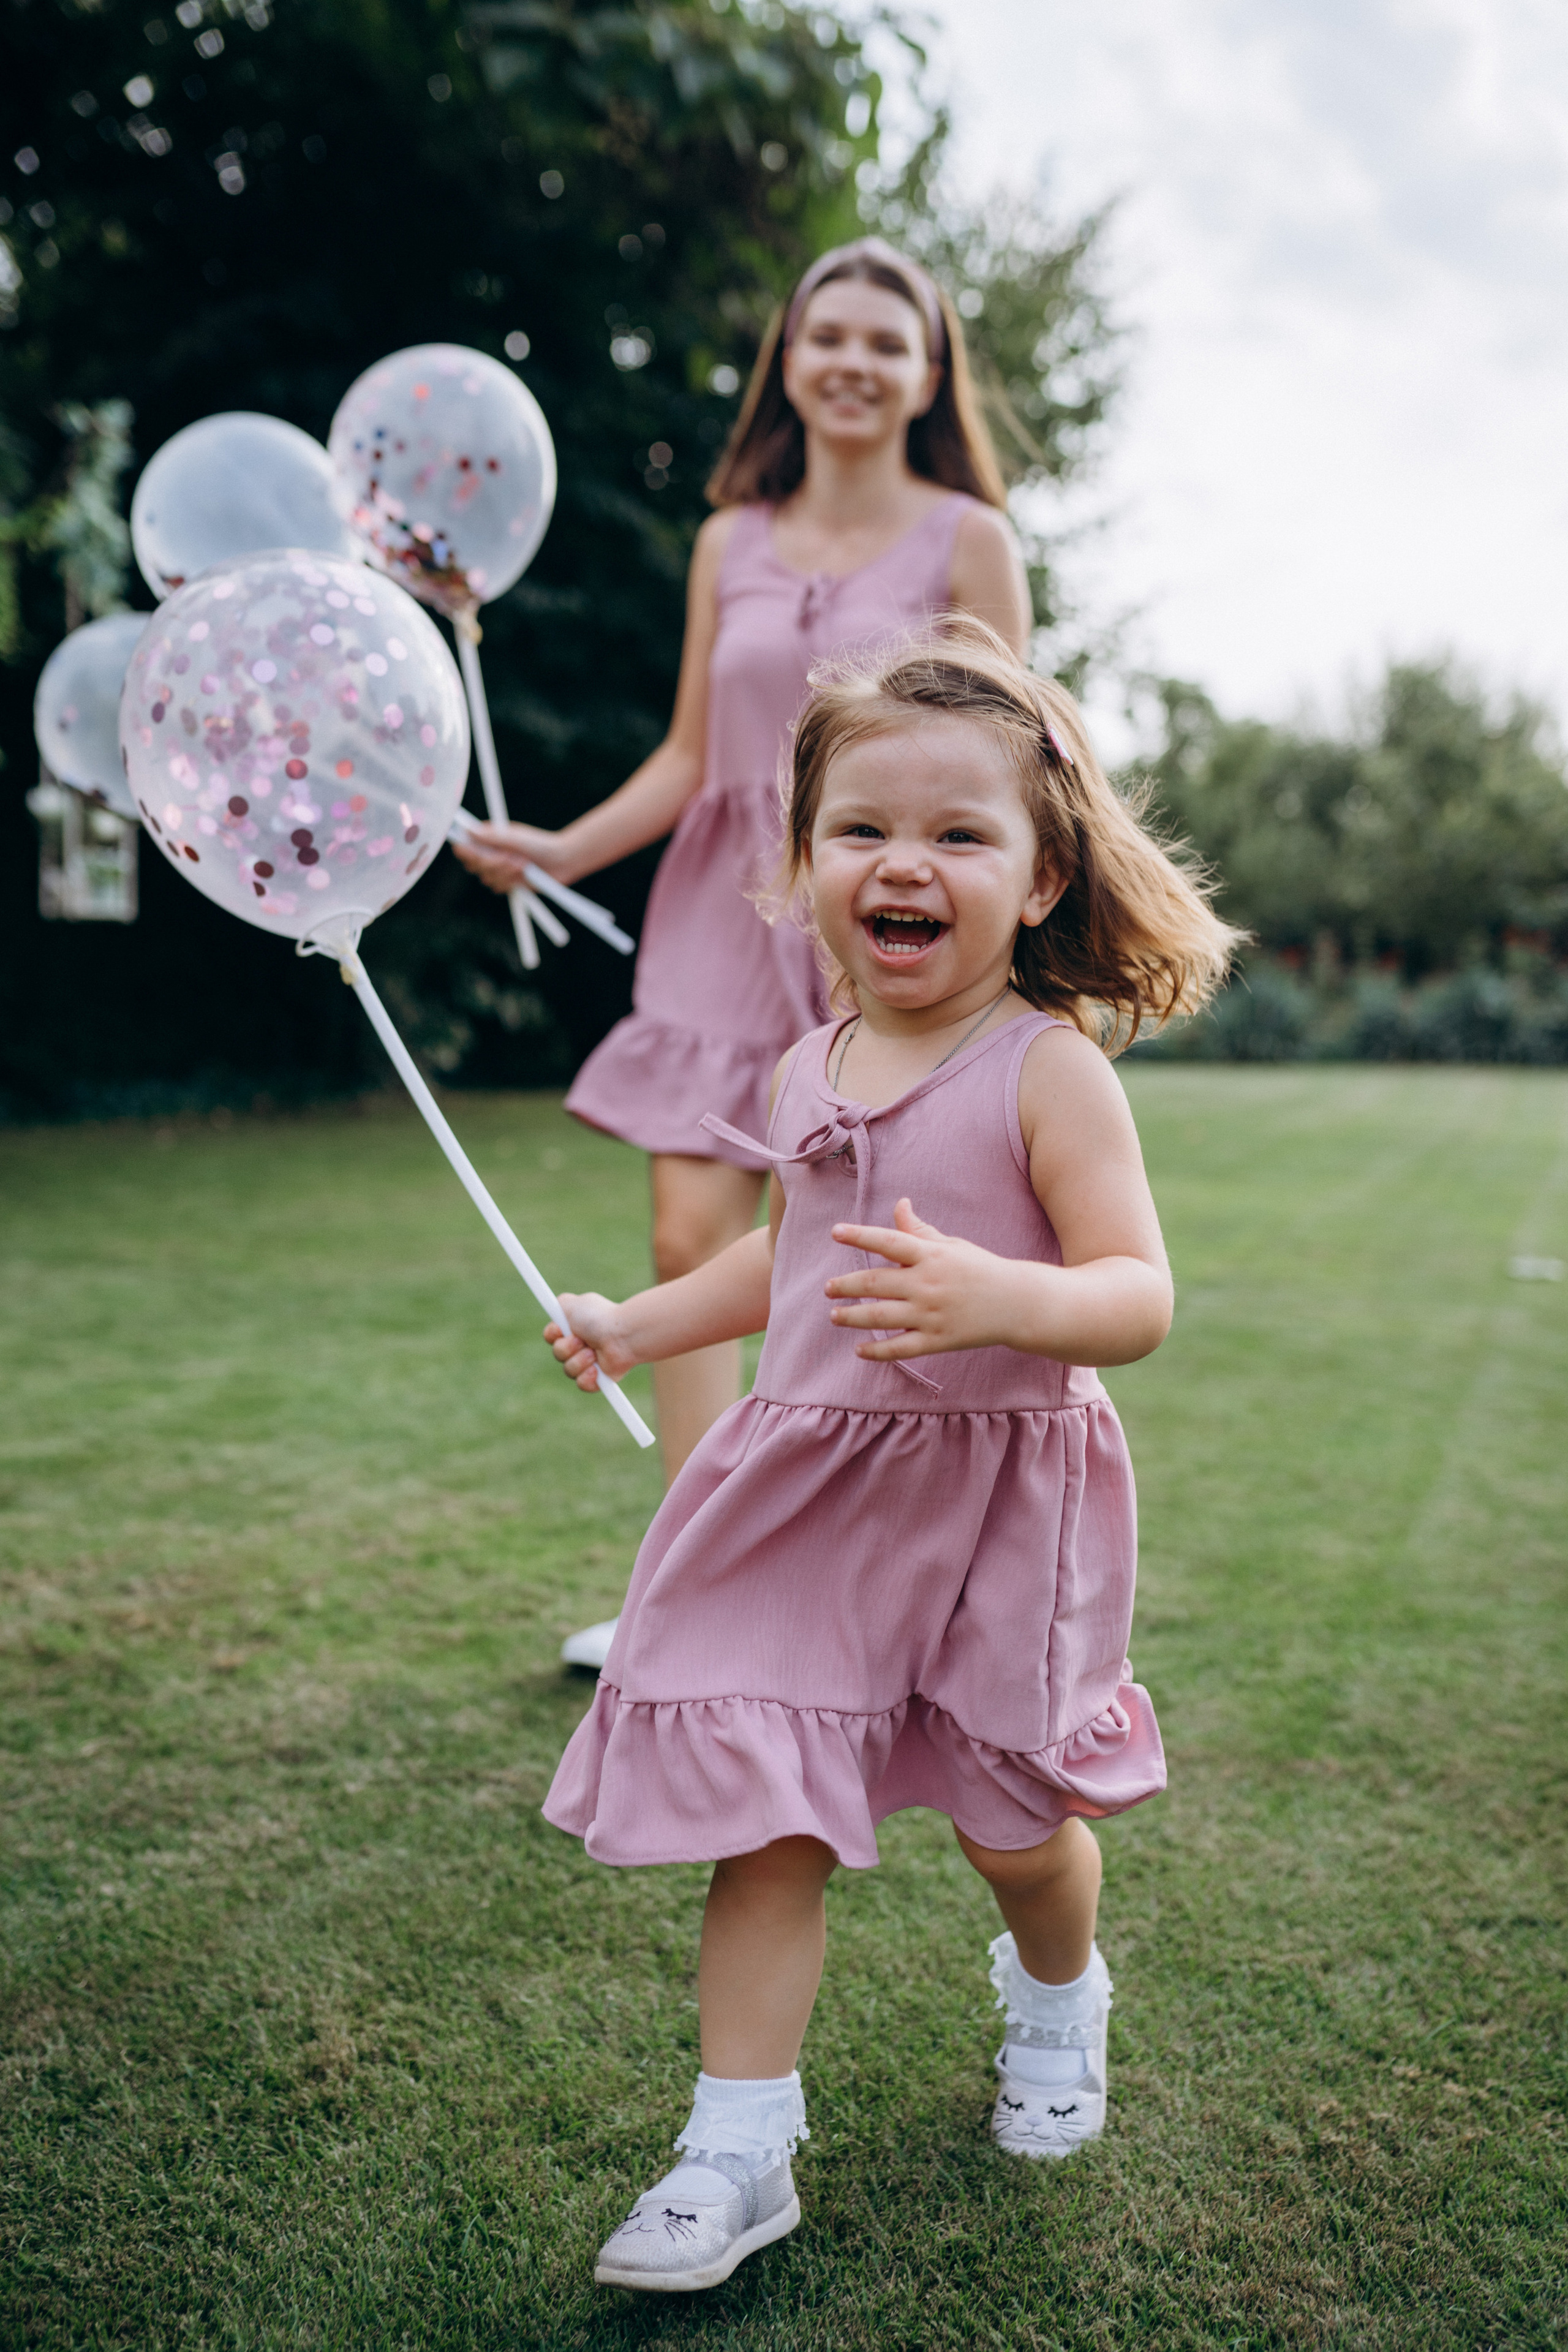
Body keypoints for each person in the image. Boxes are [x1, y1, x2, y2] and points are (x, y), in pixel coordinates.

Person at [537, 618, 1242, 2292]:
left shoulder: (1048, 1073)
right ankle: (735, 2147)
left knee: (1016, 1821)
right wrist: (643, 1322)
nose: (902, 864)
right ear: (799, 868)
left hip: (998, 1501)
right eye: (862, 829)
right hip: (807, 1495)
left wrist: (1003, 1293)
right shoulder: (808, 1063)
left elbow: (1136, 1295)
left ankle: (1059, 1998)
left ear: (1044, 873)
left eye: (957, 833)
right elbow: (789, 1253)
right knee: (766, 1809)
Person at [454, 240, 1031, 1665]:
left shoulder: (968, 537)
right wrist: (561, 848)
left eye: (883, 342)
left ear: (925, 374)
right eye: (824, 333)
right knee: (681, 1237)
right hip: (725, 903)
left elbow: (1023, 750)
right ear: (786, 358)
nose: (850, 359)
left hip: (881, 912)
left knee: (856, 1249)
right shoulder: (728, 539)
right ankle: (689, 1588)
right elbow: (690, 753)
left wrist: (1023, 905)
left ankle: (870, 1579)